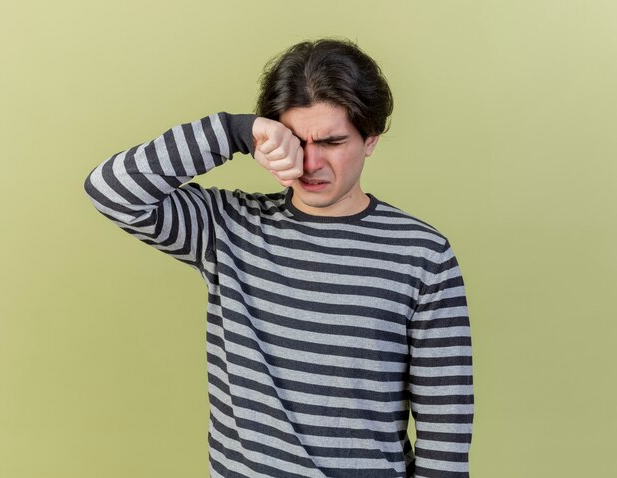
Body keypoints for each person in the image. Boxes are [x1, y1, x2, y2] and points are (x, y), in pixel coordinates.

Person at [84, 38, 473, 478]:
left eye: (331, 141)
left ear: (370, 140)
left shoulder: (422, 253)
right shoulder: (227, 226)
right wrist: (237, 131)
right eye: (294, 140)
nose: (309, 163)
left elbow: (446, 422)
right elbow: (112, 191)